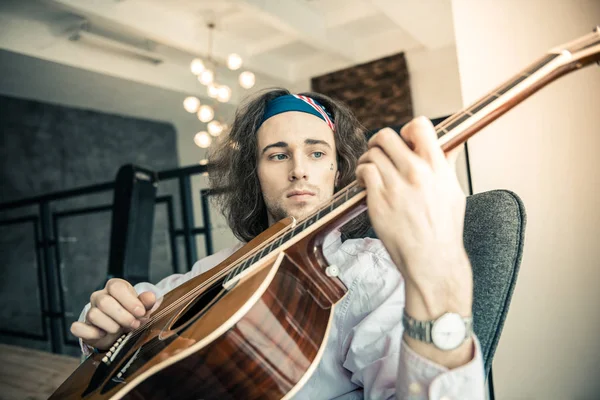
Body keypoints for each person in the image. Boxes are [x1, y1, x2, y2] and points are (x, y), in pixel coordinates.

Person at [71, 89, 485, 399]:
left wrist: (441, 280)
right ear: (255, 175)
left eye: (317, 153)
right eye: (277, 155)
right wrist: (105, 320)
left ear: (339, 172)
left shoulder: (371, 271)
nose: (299, 171)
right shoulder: (216, 266)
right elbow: (147, 306)